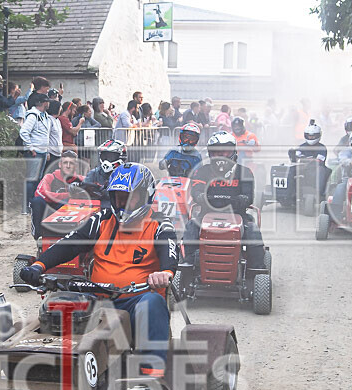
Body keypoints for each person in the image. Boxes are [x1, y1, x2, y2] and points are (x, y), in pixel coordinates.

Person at [20, 163, 179, 377]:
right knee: (58, 304)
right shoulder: (102, 219)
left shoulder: (159, 223)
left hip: (135, 300)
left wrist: (166, 273)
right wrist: (39, 266)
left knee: (153, 303)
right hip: (96, 297)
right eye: (118, 197)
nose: (122, 203)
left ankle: (151, 376)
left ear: (144, 196)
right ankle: (52, 369)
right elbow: (71, 242)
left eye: (128, 197)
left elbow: (169, 248)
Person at [184, 131, 265, 273]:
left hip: (238, 215)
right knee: (191, 226)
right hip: (207, 214)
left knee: (253, 231)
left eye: (225, 152)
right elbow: (196, 190)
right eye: (216, 152)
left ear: (233, 152)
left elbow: (248, 196)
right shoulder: (202, 171)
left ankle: (256, 270)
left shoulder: (244, 172)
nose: (221, 156)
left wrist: (241, 200)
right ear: (210, 153)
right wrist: (200, 196)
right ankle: (188, 265)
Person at [30, 150, 84, 239]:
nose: (68, 166)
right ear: (60, 164)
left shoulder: (81, 180)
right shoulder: (50, 177)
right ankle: (39, 236)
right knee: (37, 201)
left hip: (71, 213)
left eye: (71, 163)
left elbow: (96, 186)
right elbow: (40, 193)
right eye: (65, 163)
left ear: (76, 166)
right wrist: (67, 195)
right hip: (49, 210)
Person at [19, 93, 53, 209]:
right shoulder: (33, 115)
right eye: (47, 101)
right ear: (43, 103)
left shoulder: (44, 115)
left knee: (37, 179)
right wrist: (31, 148)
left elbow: (45, 135)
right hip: (35, 152)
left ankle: (33, 203)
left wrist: (47, 151)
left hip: (41, 151)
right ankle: (27, 204)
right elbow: (24, 132)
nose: (48, 103)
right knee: (31, 179)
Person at [288, 119, 329, 197]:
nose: (311, 137)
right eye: (309, 136)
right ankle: (289, 192)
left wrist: (305, 159)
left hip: (315, 170)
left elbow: (319, 161)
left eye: (313, 136)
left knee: (321, 170)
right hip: (303, 169)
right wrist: (293, 155)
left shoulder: (322, 148)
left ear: (318, 136)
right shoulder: (302, 147)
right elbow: (296, 157)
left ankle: (318, 194)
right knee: (291, 169)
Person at [46, 99, 64, 167]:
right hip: (51, 153)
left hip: (58, 153)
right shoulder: (49, 120)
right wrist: (47, 152)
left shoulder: (58, 120)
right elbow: (46, 136)